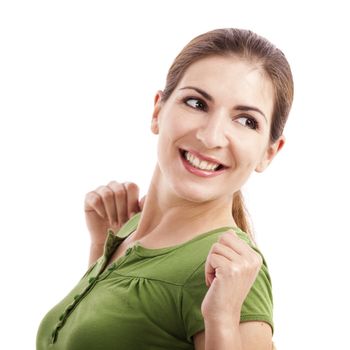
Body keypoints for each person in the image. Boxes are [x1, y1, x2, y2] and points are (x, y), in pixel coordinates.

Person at [36, 28, 293, 350]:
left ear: (269, 152)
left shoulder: (230, 272)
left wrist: (223, 320)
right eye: (197, 103)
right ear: (158, 110)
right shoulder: (129, 232)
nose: (211, 137)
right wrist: (102, 246)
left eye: (246, 121)